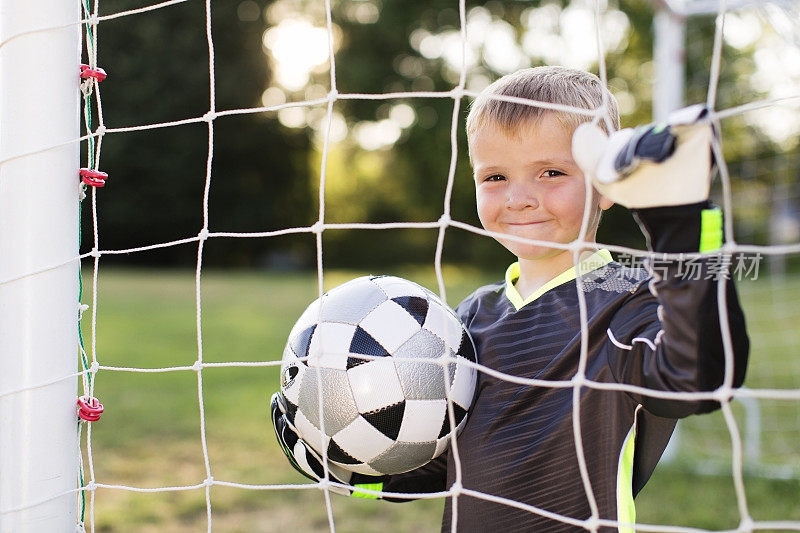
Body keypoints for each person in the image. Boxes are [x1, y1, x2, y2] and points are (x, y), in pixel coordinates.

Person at [271, 66, 750, 532]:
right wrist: (346, 467)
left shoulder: (629, 298)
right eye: (495, 177)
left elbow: (699, 378)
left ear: (605, 186)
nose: (519, 198)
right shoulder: (464, 320)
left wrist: (681, 224)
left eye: (551, 172)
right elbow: (441, 459)